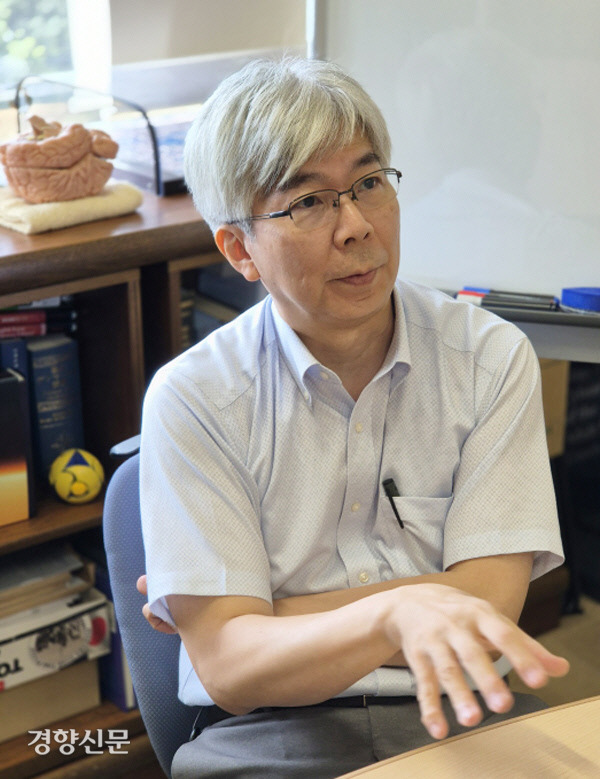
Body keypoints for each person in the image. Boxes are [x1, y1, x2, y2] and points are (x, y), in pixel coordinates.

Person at [139, 57, 569, 778]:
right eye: (309, 202)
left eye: (369, 183)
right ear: (239, 247)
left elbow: (489, 615)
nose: (358, 225)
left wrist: (271, 617)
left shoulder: (489, 357)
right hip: (266, 737)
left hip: (462, 712)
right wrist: (400, 611)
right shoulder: (193, 397)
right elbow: (233, 670)